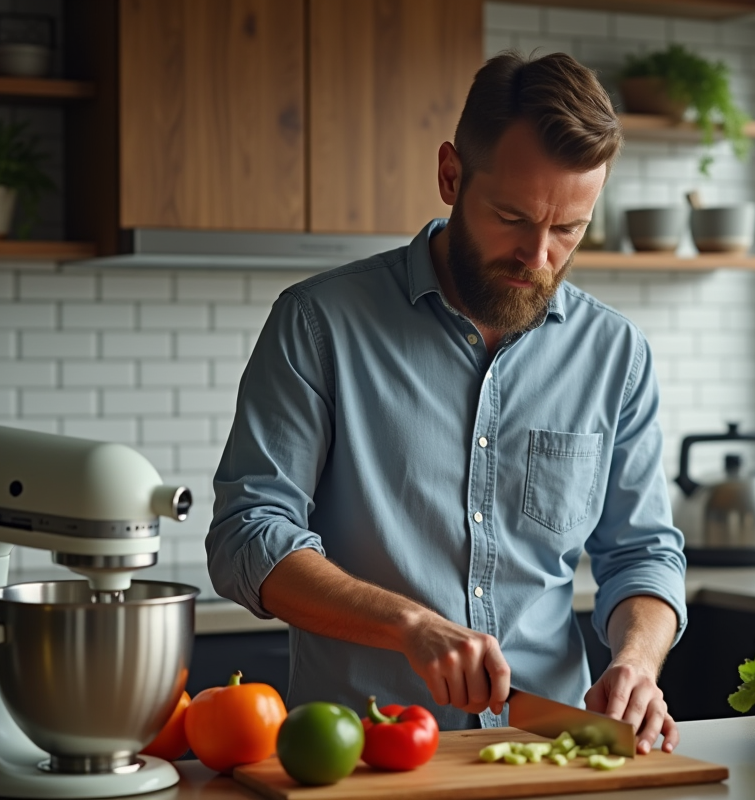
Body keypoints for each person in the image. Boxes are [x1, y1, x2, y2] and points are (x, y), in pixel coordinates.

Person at [207, 51, 687, 755]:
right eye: (513, 217)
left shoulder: (615, 354)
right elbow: (248, 535)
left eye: (569, 229)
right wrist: (407, 625)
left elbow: (642, 553)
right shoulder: (318, 324)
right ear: (450, 176)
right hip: (366, 757)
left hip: (553, 755)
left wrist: (637, 663)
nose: (539, 257)